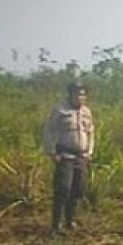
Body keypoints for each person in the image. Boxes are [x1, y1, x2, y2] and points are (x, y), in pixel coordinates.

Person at [42, 82, 95, 234]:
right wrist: (52, 152)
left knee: (78, 189)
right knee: (63, 189)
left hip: (81, 156)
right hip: (65, 156)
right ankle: (56, 225)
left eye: (83, 94)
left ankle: (70, 220)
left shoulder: (86, 112)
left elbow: (91, 132)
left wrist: (89, 152)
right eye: (78, 94)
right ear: (70, 95)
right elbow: (48, 131)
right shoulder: (60, 110)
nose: (81, 97)